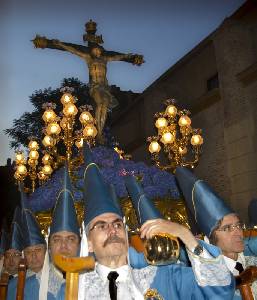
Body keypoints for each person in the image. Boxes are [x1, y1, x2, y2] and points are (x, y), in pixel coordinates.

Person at [58, 144, 234, 299]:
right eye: (101, 225)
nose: (112, 229)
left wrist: (185, 235)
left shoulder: (165, 277)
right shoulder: (73, 291)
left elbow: (220, 291)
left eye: (118, 224)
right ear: (88, 243)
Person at [32, 19, 144, 142]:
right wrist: (59, 44)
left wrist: (130, 57)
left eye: (99, 50)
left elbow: (118, 57)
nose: (97, 51)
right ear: (92, 51)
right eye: (95, 50)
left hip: (104, 87)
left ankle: (100, 130)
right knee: (100, 104)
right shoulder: (88, 58)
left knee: (105, 106)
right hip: (95, 86)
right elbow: (73, 50)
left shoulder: (105, 59)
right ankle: (99, 134)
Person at [175, 166, 257, 299]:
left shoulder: (253, 259)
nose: (238, 232)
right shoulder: (205, 279)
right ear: (209, 238)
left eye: (238, 225)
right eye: (227, 228)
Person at [23, 165, 81, 300]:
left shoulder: (98, 284)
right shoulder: (25, 288)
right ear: (48, 247)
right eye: (57, 239)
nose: (63, 246)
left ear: (80, 244)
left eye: (71, 239)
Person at [7, 187, 47, 300]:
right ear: (24, 255)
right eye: (29, 252)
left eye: (38, 250)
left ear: (46, 251)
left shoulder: (63, 284)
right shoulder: (12, 286)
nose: (33, 256)